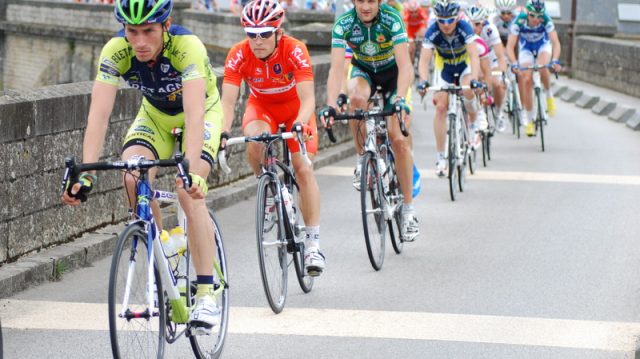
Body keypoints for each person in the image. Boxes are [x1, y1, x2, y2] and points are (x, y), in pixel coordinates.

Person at [61, 0, 223, 334]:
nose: (139, 41)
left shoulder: (187, 47)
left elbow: (194, 115)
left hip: (202, 113)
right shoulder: (115, 51)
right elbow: (99, 114)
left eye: (148, 30)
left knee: (186, 190)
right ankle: (162, 249)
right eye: (131, 31)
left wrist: (190, 171)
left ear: (166, 24)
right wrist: (86, 172)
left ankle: (207, 293)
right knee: (132, 176)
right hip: (154, 117)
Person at [221, 0, 326, 275]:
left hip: (296, 111)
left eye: (264, 33)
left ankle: (313, 245)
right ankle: (268, 189)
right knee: (255, 140)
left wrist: (301, 124)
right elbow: (228, 103)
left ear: (278, 31)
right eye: (251, 34)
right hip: (262, 108)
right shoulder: (238, 54)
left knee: (302, 168)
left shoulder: (295, 50)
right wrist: (221, 132)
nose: (257, 41)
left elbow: (308, 99)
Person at [320, 0, 420, 242]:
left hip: (393, 76)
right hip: (364, 71)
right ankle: (361, 158)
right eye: (361, 1)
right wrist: (331, 105)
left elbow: (406, 66)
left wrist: (399, 99)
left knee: (398, 140)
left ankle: (408, 211)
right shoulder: (344, 24)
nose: (366, 6)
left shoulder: (391, 19)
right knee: (355, 100)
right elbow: (335, 70)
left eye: (371, 1)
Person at [416, 0, 484, 177]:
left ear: (457, 18)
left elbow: (474, 56)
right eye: (442, 20)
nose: (446, 25)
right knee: (440, 108)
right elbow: (424, 60)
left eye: (450, 20)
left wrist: (475, 79)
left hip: (464, 66)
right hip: (444, 68)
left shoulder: (465, 27)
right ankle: (440, 157)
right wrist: (423, 80)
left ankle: (473, 124)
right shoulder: (433, 31)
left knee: (468, 89)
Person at [506, 0, 561, 137]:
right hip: (526, 49)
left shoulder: (546, 20)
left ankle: (549, 96)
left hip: (543, 45)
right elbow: (510, 46)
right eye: (532, 16)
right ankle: (530, 120)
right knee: (526, 79)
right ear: (527, 13)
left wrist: (555, 60)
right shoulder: (519, 21)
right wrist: (513, 63)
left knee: (543, 68)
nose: (536, 19)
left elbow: (555, 43)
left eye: (539, 16)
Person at [467, 4, 508, 132]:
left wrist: (496, 72)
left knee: (497, 84)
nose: (474, 28)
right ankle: (475, 114)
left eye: (478, 24)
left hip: (490, 57)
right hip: (472, 57)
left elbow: (501, 57)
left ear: (483, 22)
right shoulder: (463, 31)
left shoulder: (490, 30)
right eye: (471, 24)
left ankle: (498, 112)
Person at [403, 0, 429, 65]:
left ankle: (420, 49)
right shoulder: (406, 13)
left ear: (418, 9)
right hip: (410, 29)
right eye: (411, 12)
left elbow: (426, 23)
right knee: (411, 48)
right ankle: (411, 62)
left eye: (415, 12)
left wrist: (424, 35)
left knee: (422, 34)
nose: (414, 14)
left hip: (419, 27)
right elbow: (405, 26)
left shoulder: (421, 11)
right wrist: (408, 39)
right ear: (409, 11)